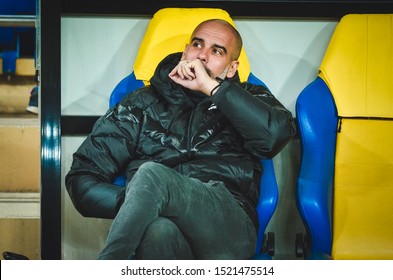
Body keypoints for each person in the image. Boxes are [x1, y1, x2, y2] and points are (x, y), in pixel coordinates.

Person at [65, 19, 296, 260]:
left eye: (217, 51)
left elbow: (274, 137)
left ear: (231, 68)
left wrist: (214, 89)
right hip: (162, 228)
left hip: (227, 229)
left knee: (152, 175)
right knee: (158, 230)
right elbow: (82, 179)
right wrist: (144, 198)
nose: (203, 56)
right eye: (197, 45)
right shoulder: (139, 104)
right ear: (186, 51)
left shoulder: (250, 98)